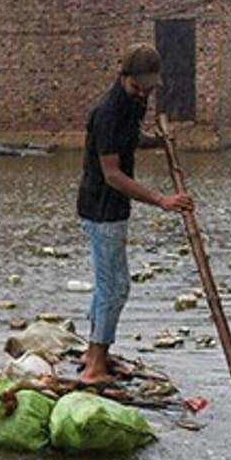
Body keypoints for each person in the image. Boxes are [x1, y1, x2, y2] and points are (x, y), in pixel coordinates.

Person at [76, 44, 195, 386]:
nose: (143, 92)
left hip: (112, 208)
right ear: (123, 76)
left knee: (106, 284)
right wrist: (162, 200)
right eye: (138, 86)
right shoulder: (109, 111)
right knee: (115, 288)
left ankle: (93, 351)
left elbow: (126, 140)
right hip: (101, 209)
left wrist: (155, 140)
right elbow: (112, 173)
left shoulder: (134, 102)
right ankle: (95, 368)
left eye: (148, 87)